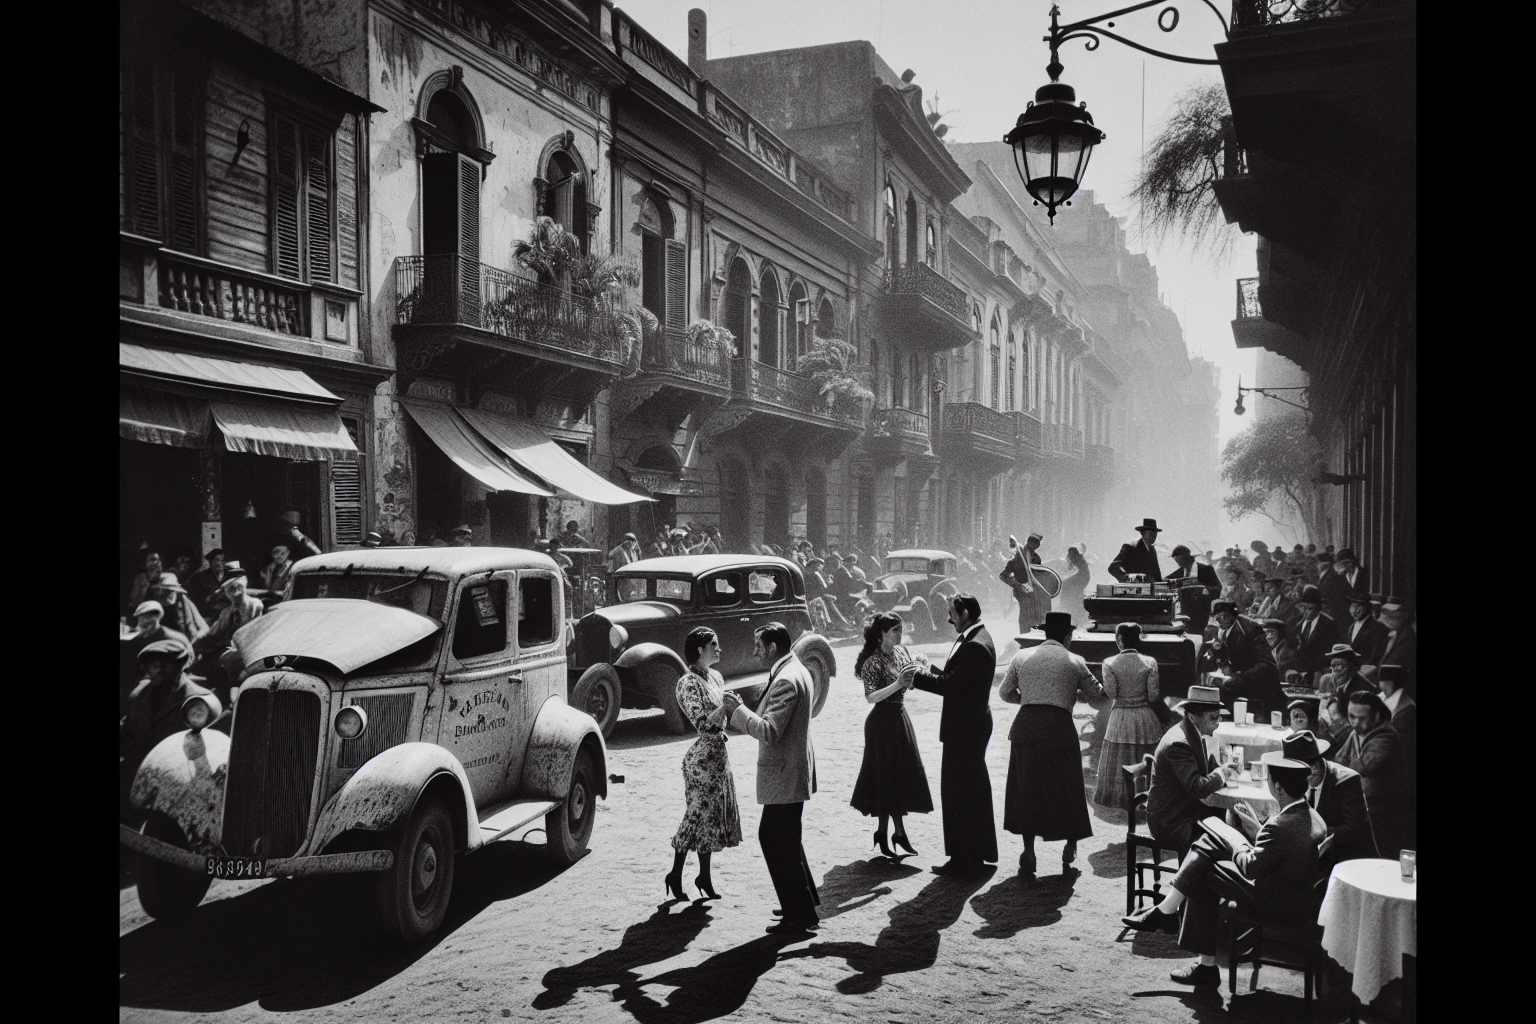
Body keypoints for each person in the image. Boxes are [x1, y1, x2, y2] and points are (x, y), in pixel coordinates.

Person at [1123, 750, 1326, 990]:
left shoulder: (1281, 826)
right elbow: (1280, 852)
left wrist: (1237, 841)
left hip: (1274, 900)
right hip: (1291, 893)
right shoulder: (1311, 815)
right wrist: (1256, 830)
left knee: (1203, 867)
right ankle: (1174, 921)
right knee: (1206, 849)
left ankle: (1199, 958)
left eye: (1269, 781)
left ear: (1279, 788)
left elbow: (1250, 867)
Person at [721, 623, 821, 933]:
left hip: (784, 772)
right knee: (787, 839)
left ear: (773, 647)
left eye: (758, 645)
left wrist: (738, 711)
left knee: (774, 839)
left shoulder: (786, 680)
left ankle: (799, 915)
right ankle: (803, 905)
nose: (754, 651)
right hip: (792, 770)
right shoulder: (794, 668)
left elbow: (769, 731)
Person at [997, 611, 1105, 876]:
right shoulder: (1075, 661)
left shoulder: (1021, 656)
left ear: (1044, 634)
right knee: (1067, 787)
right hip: (1059, 728)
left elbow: (1004, 692)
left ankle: (1029, 851)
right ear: (1068, 637)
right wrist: (1071, 694)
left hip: (1026, 727)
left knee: (1027, 789)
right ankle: (1069, 845)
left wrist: (1028, 699)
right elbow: (1100, 696)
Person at [901, 593, 999, 874]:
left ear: (965, 613)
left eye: (951, 613)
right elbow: (958, 677)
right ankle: (973, 855)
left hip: (965, 729)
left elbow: (952, 686)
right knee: (971, 791)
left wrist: (916, 677)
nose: (947, 618)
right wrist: (928, 668)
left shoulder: (975, 645)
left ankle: (964, 859)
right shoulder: (977, 637)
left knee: (960, 793)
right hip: (970, 725)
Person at [663, 627, 742, 902]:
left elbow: (721, 723)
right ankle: (675, 873)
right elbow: (703, 725)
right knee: (696, 815)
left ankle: (704, 876)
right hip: (702, 760)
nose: (719, 649)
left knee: (710, 818)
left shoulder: (716, 677)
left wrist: (728, 709)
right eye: (714, 644)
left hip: (719, 756)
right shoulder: (687, 683)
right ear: (700, 650)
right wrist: (726, 707)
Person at [850, 614, 933, 857]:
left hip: (900, 718)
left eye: (900, 630)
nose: (899, 634)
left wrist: (920, 668)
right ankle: (895, 832)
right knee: (886, 777)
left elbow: (911, 683)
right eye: (895, 631)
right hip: (881, 723)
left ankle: (889, 832)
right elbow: (871, 697)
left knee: (898, 776)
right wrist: (898, 683)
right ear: (881, 635)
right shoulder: (872, 663)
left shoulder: (901, 652)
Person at [121, 639, 215, 820]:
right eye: (153, 665)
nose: (157, 670)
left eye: (164, 665)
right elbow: (128, 729)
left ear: (179, 667)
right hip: (139, 764)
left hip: (176, 772)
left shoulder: (197, 700)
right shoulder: (140, 694)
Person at [1146, 685, 1238, 857]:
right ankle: (1194, 881)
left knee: (1230, 822)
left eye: (1219, 718)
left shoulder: (1192, 732)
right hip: (1171, 822)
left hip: (1183, 810)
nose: (1218, 724)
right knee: (1225, 841)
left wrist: (1219, 766)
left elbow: (1201, 767)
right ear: (1195, 716)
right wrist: (1223, 773)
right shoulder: (1179, 743)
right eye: (1213, 718)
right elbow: (1198, 787)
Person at [1092, 622, 1164, 810]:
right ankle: (1146, 797)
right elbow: (1153, 695)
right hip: (1144, 716)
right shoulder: (1149, 662)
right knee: (1145, 756)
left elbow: (1112, 693)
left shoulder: (1109, 663)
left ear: (1119, 639)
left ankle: (1120, 798)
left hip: (1120, 717)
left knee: (1119, 757)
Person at [1331, 690, 1409, 858]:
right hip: (1364, 807)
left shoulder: (1386, 738)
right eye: (1351, 716)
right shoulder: (1358, 732)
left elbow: (1360, 768)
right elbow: (1338, 761)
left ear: (1376, 715)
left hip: (1382, 816)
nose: (1355, 723)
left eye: (1362, 718)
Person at [1203, 600, 1284, 719]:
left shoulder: (1249, 629)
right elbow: (1231, 653)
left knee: (1228, 686)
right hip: (1246, 678)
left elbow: (1266, 665)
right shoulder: (1229, 628)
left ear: (1229, 616)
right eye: (1217, 618)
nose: (1219, 622)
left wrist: (1238, 676)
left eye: (1221, 617)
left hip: (1262, 683)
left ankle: (1227, 721)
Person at [999, 533, 1051, 637]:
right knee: (1024, 616)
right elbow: (1003, 575)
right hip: (1022, 592)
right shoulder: (1018, 557)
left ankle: (1035, 637)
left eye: (1038, 544)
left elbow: (1038, 575)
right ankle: (1024, 638)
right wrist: (1017, 585)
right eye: (1036, 543)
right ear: (1030, 543)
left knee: (1036, 615)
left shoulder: (1036, 558)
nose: (1037, 546)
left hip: (1034, 592)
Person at [1166, 544, 1221, 634]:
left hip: (1202, 611)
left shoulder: (1206, 570)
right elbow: (1166, 581)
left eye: (1180, 561)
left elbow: (1217, 587)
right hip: (1185, 612)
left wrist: (1206, 590)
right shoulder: (1179, 573)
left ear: (1187, 558)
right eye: (1177, 561)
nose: (1178, 564)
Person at [1369, 598, 1416, 696]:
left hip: (1396, 690)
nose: (1387, 624)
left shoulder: (1408, 639)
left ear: (1399, 618)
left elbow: (1398, 664)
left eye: (1390, 619)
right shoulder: (1393, 634)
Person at [1292, 585, 1339, 681]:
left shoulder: (1328, 625)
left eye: (1309, 609)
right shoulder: (1297, 622)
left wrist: (1311, 672)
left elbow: (1327, 654)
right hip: (1297, 673)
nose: (1305, 612)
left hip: (1317, 674)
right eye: (1303, 607)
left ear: (1318, 609)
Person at [151, 571, 207, 642]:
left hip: (184, 644)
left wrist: (194, 639)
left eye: (172, 591)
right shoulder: (152, 605)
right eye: (166, 591)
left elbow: (203, 627)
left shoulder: (183, 601)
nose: (170, 595)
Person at [1341, 593, 1389, 666]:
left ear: (1367, 607)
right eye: (1353, 605)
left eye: (1359, 605)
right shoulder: (1352, 626)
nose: (1355, 610)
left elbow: (1375, 656)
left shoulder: (1378, 627)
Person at [185, 548, 227, 619]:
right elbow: (193, 598)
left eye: (222, 560)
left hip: (227, 612)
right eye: (217, 560)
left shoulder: (229, 575)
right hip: (208, 615)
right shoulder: (199, 577)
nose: (220, 563)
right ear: (210, 562)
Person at [1315, 553, 1353, 628]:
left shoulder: (1335, 576)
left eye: (1318, 562)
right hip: (1328, 611)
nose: (1317, 565)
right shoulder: (1323, 574)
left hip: (1335, 612)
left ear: (1324, 564)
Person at [125, 550, 164, 617]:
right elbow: (135, 600)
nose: (156, 563)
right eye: (152, 559)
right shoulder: (140, 578)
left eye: (158, 560)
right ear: (145, 562)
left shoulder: (164, 577)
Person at [1057, 545, 1091, 622]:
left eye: (1070, 553)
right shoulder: (1077, 557)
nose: (1069, 555)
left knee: (1066, 585)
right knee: (1067, 586)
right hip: (1083, 576)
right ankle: (1067, 604)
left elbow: (1074, 570)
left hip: (1082, 577)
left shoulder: (1077, 558)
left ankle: (1065, 604)